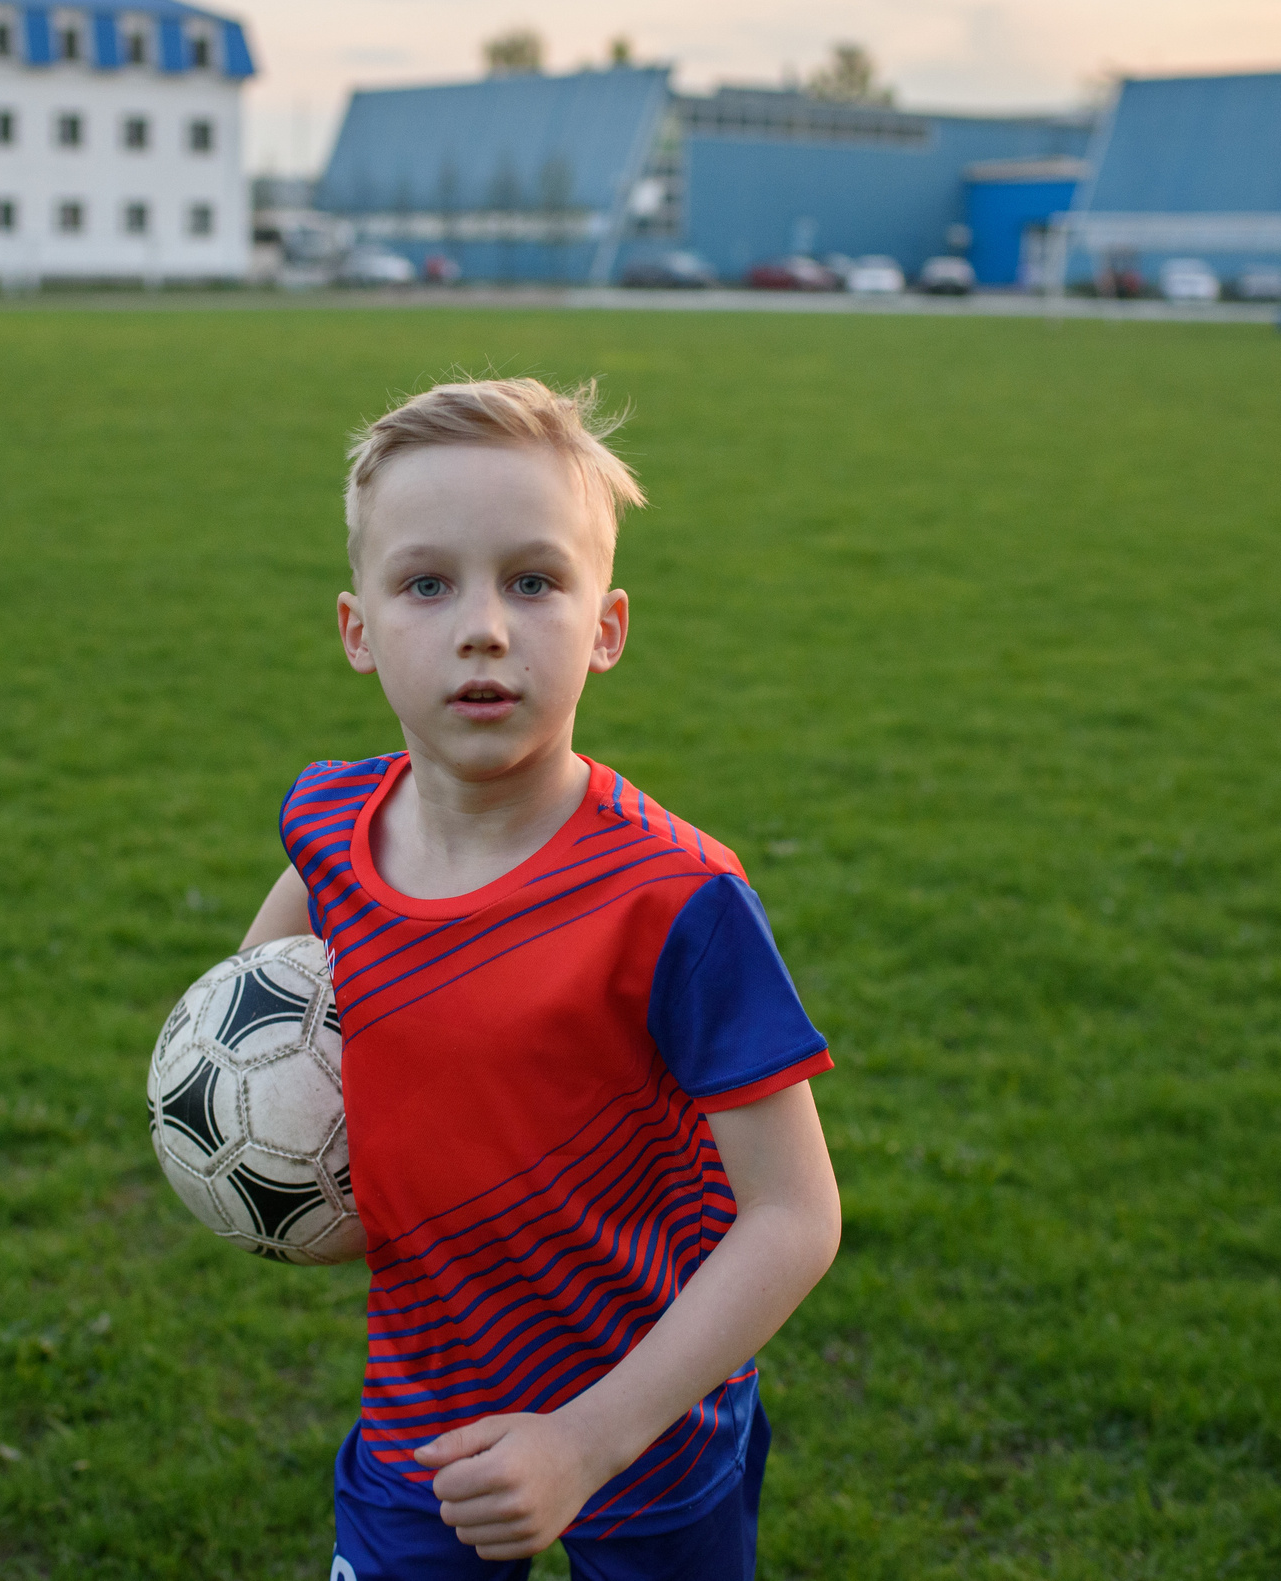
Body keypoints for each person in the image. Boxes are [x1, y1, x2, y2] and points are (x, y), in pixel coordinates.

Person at [237, 378, 842, 1579]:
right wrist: (276, 1158)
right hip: (424, 1408)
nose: (483, 628)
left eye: (533, 580)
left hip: (650, 1421)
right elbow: (258, 1000)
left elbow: (793, 1214)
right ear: (356, 628)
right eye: (426, 583)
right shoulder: (332, 822)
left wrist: (587, 1439)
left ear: (605, 625)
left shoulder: (676, 898)